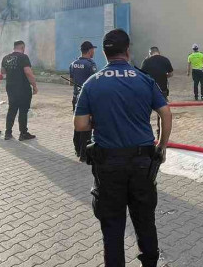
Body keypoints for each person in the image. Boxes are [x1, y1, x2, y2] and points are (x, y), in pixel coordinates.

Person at [74, 29, 173, 267]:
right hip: (142, 163)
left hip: (108, 165)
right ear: (127, 51)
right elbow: (166, 113)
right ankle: (149, 262)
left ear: (105, 54)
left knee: (112, 225)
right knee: (145, 220)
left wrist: (97, 120)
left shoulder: (92, 83)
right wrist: (162, 145)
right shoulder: (143, 79)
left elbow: (80, 124)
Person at [1, 40, 37, 141]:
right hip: (23, 88)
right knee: (23, 111)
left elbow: (3, 71)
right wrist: (34, 86)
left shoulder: (6, 57)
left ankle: (8, 133)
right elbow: (28, 73)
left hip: (10, 87)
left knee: (12, 109)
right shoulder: (23, 57)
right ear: (22, 47)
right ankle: (23, 134)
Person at [69, 41, 98, 159]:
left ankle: (77, 149)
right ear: (90, 50)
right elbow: (95, 82)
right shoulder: (90, 64)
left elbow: (71, 82)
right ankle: (84, 154)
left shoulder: (73, 63)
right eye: (93, 50)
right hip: (88, 100)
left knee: (78, 124)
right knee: (86, 126)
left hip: (76, 98)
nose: (94, 52)